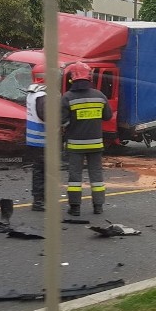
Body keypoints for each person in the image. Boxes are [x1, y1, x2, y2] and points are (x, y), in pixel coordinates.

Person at [62, 61, 112, 216]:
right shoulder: (100, 96)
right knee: (96, 176)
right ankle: (98, 207)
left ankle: (75, 208)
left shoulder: (67, 98)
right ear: (89, 77)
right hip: (96, 144)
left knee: (75, 177)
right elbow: (108, 116)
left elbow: (62, 121)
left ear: (72, 78)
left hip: (76, 146)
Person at [25, 82, 47, 211]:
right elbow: (45, 115)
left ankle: (39, 199)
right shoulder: (42, 96)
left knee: (39, 170)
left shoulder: (31, 94)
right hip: (42, 139)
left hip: (33, 138)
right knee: (42, 171)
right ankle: (39, 201)